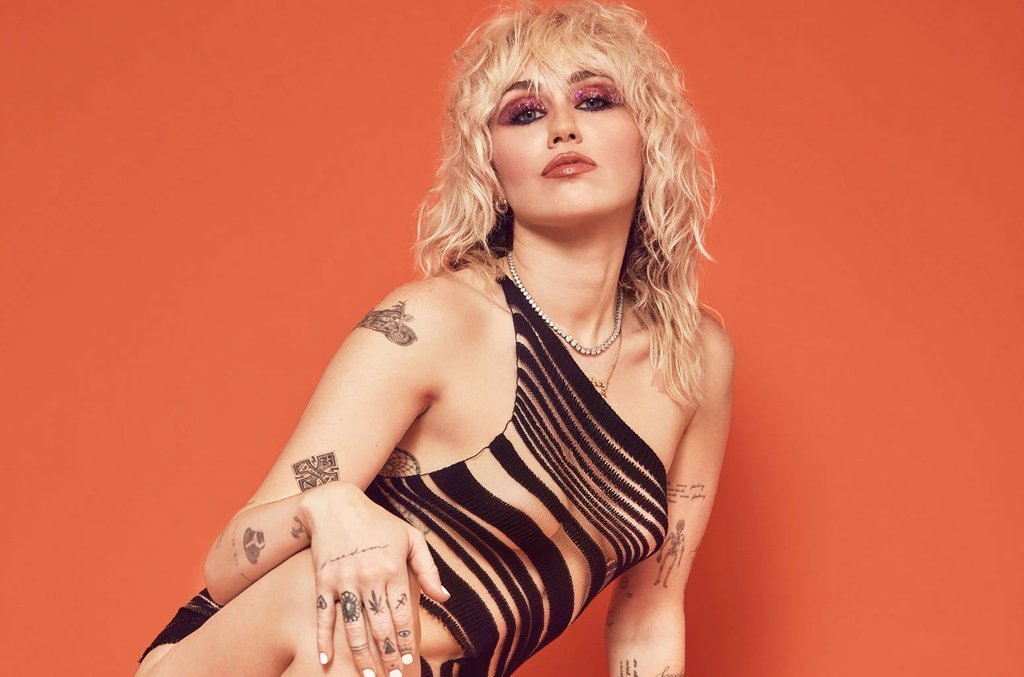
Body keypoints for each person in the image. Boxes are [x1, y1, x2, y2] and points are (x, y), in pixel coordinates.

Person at [135, 0, 733, 675]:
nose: (563, 127)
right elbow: (224, 565)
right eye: (525, 113)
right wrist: (326, 508)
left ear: (649, 135)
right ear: (491, 167)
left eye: (595, 100)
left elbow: (648, 617)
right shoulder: (431, 324)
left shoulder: (694, 359)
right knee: (327, 605)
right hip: (251, 653)